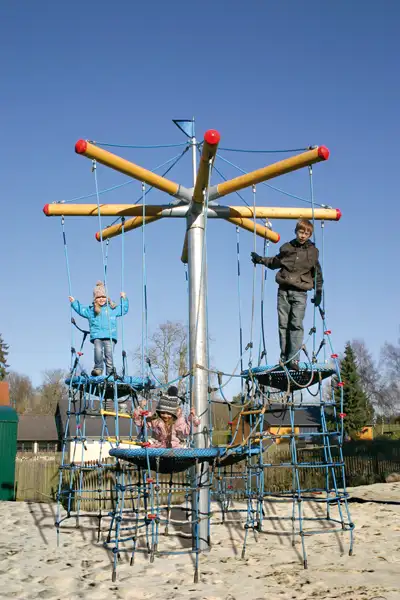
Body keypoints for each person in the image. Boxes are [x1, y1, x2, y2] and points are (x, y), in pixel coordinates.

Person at [251, 219, 323, 370]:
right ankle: (284, 357)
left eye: (307, 233)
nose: (303, 236)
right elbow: (275, 262)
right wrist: (260, 260)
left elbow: (317, 274)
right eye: (301, 232)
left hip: (300, 292)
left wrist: (318, 293)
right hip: (283, 290)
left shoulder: (312, 252)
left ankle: (293, 359)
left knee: (295, 324)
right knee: (283, 324)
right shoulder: (287, 248)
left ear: (310, 235)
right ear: (296, 231)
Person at [69, 281, 129, 376]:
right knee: (98, 352)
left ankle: (110, 373)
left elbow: (123, 309)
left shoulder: (112, 309)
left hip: (110, 336)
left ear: (107, 297)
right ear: (95, 299)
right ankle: (98, 369)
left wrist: (124, 298)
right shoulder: (92, 310)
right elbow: (81, 310)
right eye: (98, 297)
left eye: (103, 297)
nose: (101, 299)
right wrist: (74, 302)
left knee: (109, 354)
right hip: (97, 336)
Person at [133, 392, 200, 448]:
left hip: (173, 447)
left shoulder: (177, 421)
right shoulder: (155, 419)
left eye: (169, 414)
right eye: (163, 413)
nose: (165, 415)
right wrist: (141, 407)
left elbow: (187, 430)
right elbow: (140, 422)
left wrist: (192, 418)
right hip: (158, 446)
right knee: (148, 448)